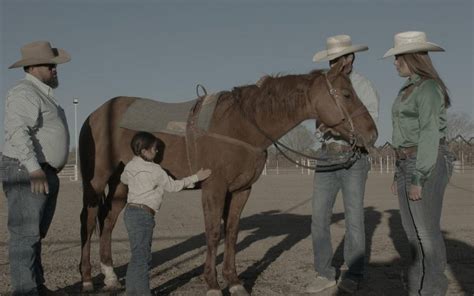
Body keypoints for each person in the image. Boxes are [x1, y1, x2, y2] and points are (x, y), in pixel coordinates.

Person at [306, 35, 379, 294]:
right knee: (318, 218)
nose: (334, 63)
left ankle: (353, 273)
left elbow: (371, 125)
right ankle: (323, 273)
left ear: (350, 59)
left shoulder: (363, 86)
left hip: (353, 157)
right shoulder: (323, 87)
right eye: (331, 59)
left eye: (338, 58)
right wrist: (321, 130)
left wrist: (339, 129)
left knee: (354, 218)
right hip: (327, 157)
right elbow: (316, 125)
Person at [384, 31, 453, 296]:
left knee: (426, 234)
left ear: (411, 58)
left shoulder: (429, 88)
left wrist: (418, 177)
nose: (395, 63)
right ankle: (416, 289)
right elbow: (402, 133)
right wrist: (396, 172)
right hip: (406, 163)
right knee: (413, 237)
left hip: (427, 162)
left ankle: (434, 289)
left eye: (397, 58)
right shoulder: (408, 88)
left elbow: (428, 133)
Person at [1, 41, 71, 295]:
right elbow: (18, 132)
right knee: (24, 235)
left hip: (41, 170)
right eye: (49, 65)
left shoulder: (41, 94)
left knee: (34, 234)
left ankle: (36, 287)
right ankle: (26, 291)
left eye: (54, 65)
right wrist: (34, 168)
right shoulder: (24, 92)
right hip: (27, 170)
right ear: (31, 67)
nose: (55, 69)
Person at [120, 131, 211, 295]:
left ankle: (133, 291)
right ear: (144, 151)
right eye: (154, 149)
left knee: (137, 255)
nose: (157, 152)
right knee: (143, 257)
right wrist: (196, 177)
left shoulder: (130, 165)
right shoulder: (156, 170)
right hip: (143, 215)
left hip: (130, 212)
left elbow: (123, 179)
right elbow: (173, 187)